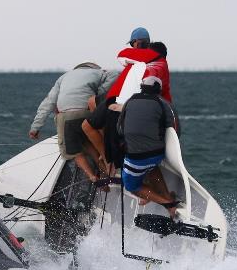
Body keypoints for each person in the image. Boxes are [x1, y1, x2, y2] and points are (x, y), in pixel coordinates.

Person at [82, 27, 166, 173]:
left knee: (87, 126)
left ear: (135, 42)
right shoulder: (150, 59)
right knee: (93, 103)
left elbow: (121, 55)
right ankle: (108, 153)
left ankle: (107, 159)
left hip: (120, 99)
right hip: (127, 99)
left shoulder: (138, 56)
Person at [29, 62, 118, 183]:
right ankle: (107, 173)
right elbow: (116, 74)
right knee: (88, 143)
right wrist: (99, 93)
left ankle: (92, 177)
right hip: (88, 113)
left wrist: (35, 127)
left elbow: (48, 103)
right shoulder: (99, 72)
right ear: (94, 67)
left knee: (74, 152)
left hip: (66, 117)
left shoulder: (64, 77)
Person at [117, 76, 181, 217]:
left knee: (131, 186)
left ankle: (167, 204)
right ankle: (165, 196)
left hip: (136, 158)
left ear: (142, 87)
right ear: (158, 90)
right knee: (151, 167)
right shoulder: (163, 103)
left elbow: (119, 129)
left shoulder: (129, 101)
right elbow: (172, 129)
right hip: (157, 155)